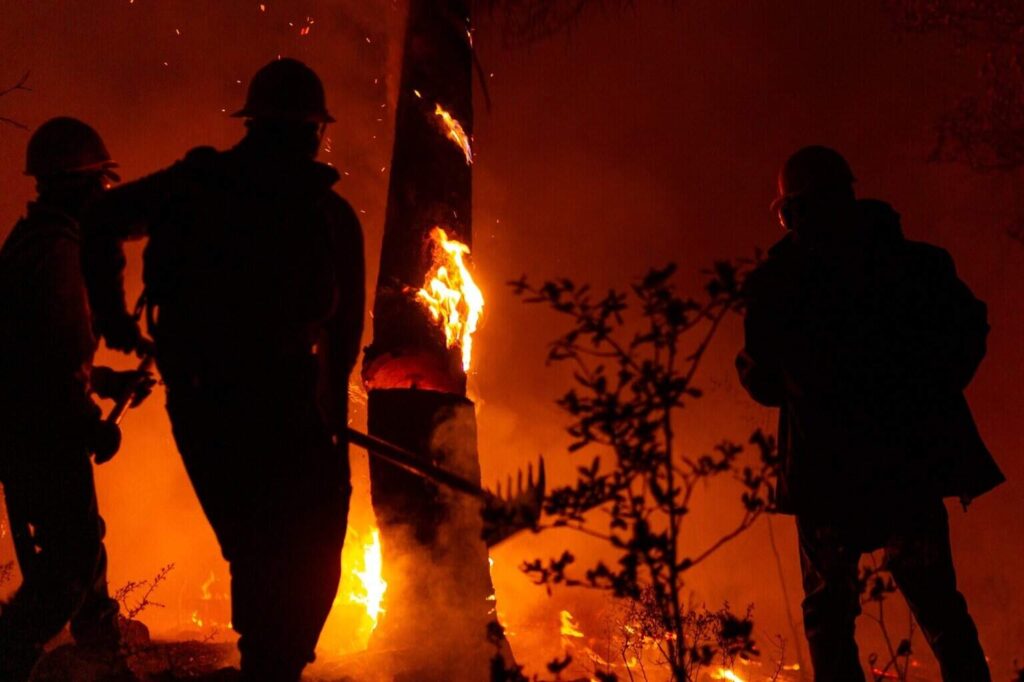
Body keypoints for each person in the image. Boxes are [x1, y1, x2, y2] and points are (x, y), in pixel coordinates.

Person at [82, 58, 365, 681]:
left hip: (213, 404)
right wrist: (331, 429)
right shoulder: (322, 213)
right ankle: (274, 663)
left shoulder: (196, 187)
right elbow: (342, 341)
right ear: (314, 130)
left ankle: (272, 661)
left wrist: (117, 322)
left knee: (265, 554)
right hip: (266, 405)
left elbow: (101, 223)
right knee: (292, 554)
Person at [736, 146, 1004, 681]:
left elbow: (761, 381)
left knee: (829, 617)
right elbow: (970, 329)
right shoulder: (917, 266)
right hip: (909, 469)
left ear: (793, 211)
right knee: (940, 608)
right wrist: (934, 389)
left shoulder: (780, 284)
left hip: (825, 481)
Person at [0, 117, 148, 680]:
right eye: (101, 186)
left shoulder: (34, 242)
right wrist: (92, 423)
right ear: (82, 185)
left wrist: (106, 381)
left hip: (25, 423)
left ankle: (99, 646)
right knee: (70, 560)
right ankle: (10, 651)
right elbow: (52, 367)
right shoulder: (58, 255)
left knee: (82, 537)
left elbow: (40, 350)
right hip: (40, 432)